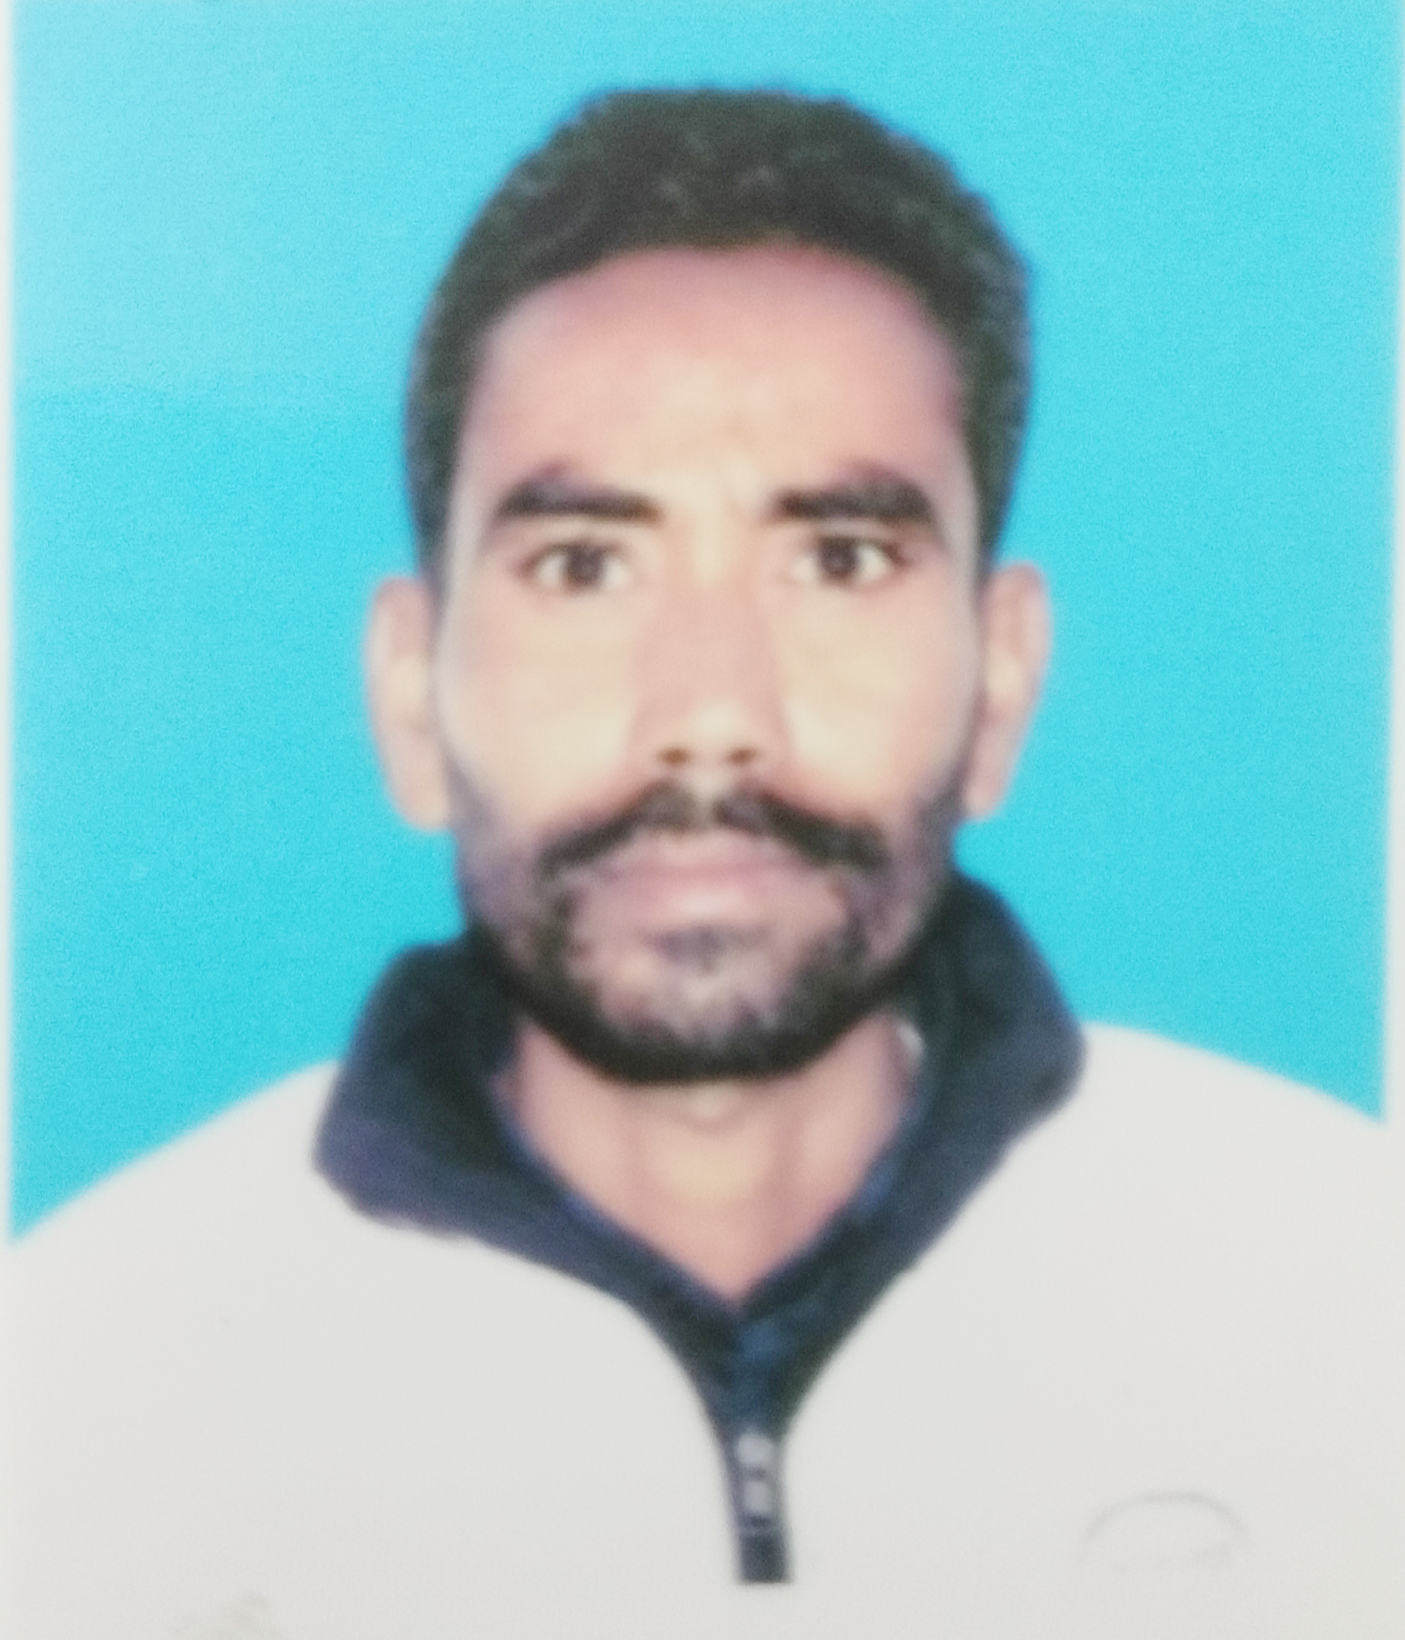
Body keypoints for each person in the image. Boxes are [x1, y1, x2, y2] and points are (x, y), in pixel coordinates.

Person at [9, 89, 1402, 1640]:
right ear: (409, 697)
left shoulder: (1340, 1295)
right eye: (584, 565)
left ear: (1001, 680)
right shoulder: (87, 1392)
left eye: (839, 560)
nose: (711, 712)